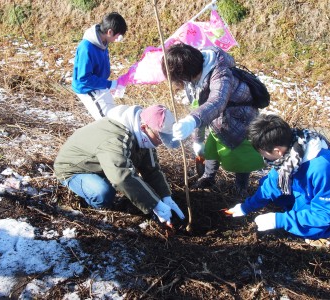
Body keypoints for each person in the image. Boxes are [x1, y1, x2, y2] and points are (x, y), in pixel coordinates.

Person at [227, 114, 330, 243]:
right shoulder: (292, 151)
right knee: (268, 184)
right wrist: (246, 207)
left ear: (277, 151)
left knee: (310, 228)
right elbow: (271, 184)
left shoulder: (320, 169)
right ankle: (298, 209)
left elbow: (324, 213)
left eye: (262, 152)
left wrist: (280, 220)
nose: (262, 157)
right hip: (315, 187)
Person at [54, 104, 185, 226]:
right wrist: (155, 205)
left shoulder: (142, 135)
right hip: (74, 168)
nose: (160, 143)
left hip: (101, 164)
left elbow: (152, 170)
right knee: (103, 193)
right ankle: (90, 204)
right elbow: (121, 176)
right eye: (159, 138)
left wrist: (165, 196)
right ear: (144, 127)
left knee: (121, 183)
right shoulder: (116, 139)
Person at [162, 43, 264, 196]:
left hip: (240, 119)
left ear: (186, 74)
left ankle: (241, 187)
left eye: (179, 79)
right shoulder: (193, 78)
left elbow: (217, 101)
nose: (180, 84)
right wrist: (197, 139)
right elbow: (198, 106)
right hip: (216, 119)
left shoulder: (221, 74)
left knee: (240, 156)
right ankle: (208, 177)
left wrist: (192, 121)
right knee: (212, 148)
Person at [72, 12, 127, 120]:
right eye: (118, 36)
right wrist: (109, 84)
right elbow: (84, 78)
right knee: (107, 120)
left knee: (113, 113)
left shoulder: (103, 42)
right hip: (87, 89)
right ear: (110, 32)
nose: (118, 39)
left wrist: (108, 85)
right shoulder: (86, 48)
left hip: (99, 83)